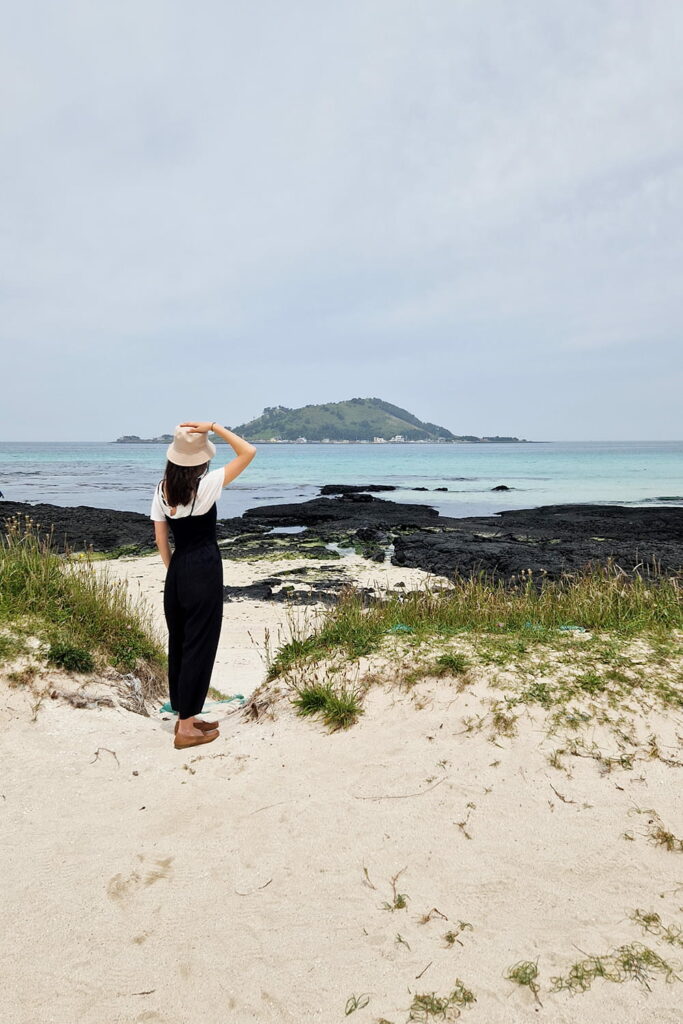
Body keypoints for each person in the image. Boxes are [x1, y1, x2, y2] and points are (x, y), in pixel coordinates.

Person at [150, 421, 257, 749]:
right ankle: (185, 730)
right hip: (204, 568)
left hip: (178, 570)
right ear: (200, 461)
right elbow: (248, 451)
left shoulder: (161, 489)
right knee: (199, 644)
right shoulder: (207, 484)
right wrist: (214, 427)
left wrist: (175, 570)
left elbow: (160, 539)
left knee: (181, 644)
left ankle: (188, 714)